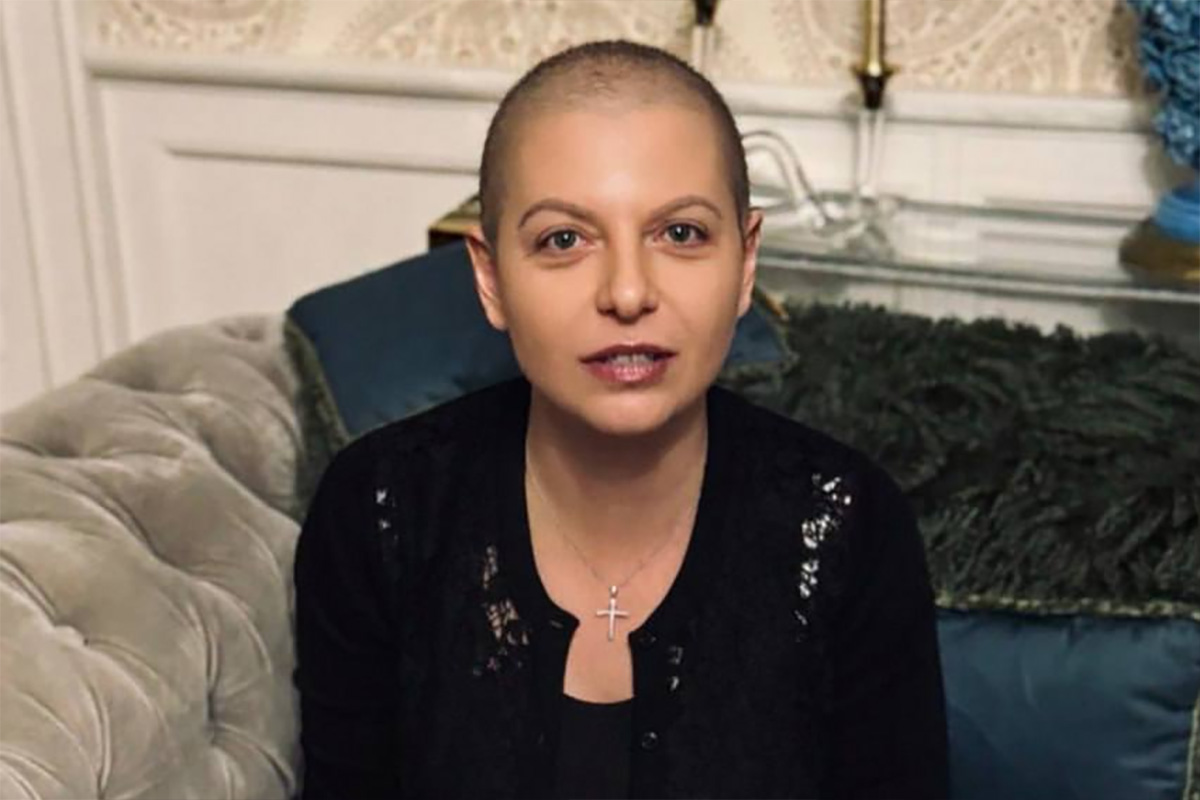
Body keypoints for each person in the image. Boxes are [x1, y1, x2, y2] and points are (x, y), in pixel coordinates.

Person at [293, 40, 948, 800]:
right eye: (564, 240)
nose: (628, 293)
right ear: (491, 279)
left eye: (681, 233)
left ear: (745, 263)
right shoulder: (381, 510)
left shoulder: (847, 524)